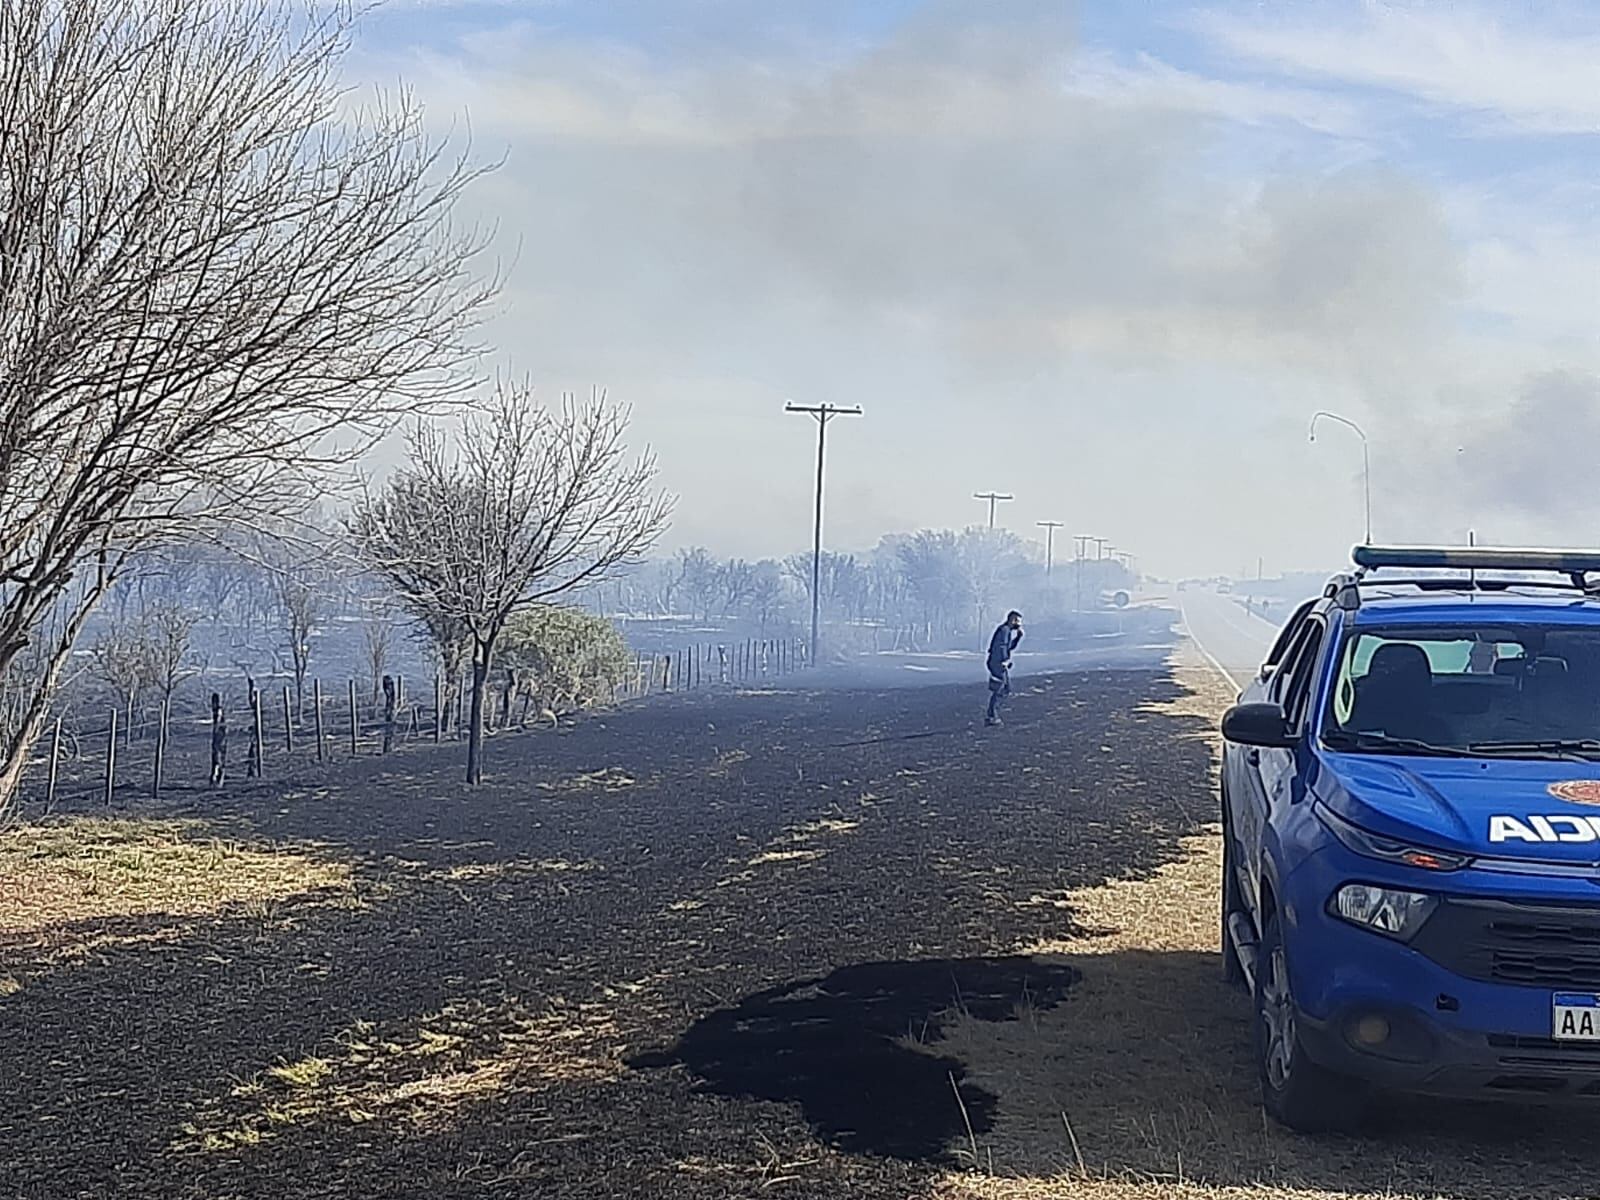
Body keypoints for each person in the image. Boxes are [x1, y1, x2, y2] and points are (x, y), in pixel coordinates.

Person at [985, 610, 1023, 726]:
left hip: (998, 663)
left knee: (1005, 689)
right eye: (1018, 622)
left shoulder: (1006, 631)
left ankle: (992, 714)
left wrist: (1018, 638)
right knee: (1001, 688)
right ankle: (991, 716)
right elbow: (1000, 647)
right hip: (997, 663)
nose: (1020, 625)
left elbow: (1008, 646)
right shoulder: (1004, 630)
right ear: (1013, 620)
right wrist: (1004, 661)